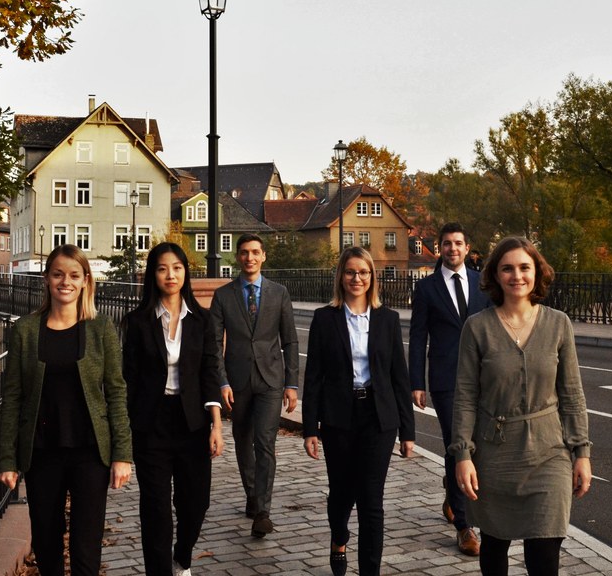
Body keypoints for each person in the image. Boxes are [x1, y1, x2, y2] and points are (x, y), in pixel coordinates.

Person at [450, 236, 592, 576]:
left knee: (544, 553)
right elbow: (465, 395)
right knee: (495, 547)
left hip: (549, 454)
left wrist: (582, 453)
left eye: (524, 267)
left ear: (536, 272)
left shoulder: (558, 324)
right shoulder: (478, 327)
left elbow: (572, 393)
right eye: (507, 268)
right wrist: (463, 456)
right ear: (496, 276)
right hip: (494, 454)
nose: (517, 276)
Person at [0, 244, 133, 576]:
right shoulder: (26, 330)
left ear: (86, 280)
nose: (65, 282)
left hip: (90, 451)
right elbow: (13, 396)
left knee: (86, 545)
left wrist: (122, 454)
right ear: (46, 280)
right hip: (43, 451)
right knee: (46, 541)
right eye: (58, 274)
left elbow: (116, 392)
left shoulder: (101, 329)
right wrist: (7, 459)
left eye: (74, 275)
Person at [302, 247, 416, 576]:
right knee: (341, 493)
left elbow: (399, 377)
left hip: (378, 419)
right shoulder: (325, 319)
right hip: (338, 417)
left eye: (363, 272)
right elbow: (314, 377)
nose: (357, 278)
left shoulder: (388, 319)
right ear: (341, 276)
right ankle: (339, 538)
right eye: (351, 272)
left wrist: (407, 431)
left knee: (371, 502)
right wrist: (310, 428)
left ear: (372, 277)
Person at [123, 242, 225, 576]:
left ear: (186, 272)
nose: (171, 274)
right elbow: (130, 378)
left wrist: (216, 425)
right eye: (163, 268)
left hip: (192, 423)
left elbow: (210, 371)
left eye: (177, 267)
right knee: (156, 509)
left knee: (195, 504)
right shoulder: (137, 322)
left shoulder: (202, 320)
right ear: (153, 274)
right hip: (151, 424)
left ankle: (181, 556)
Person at [408, 222, 492, 556]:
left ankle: (453, 491)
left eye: (458, 243)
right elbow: (417, 336)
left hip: (483, 379)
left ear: (467, 247)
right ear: (439, 248)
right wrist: (417, 381)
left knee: (479, 446)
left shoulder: (482, 284)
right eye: (446, 244)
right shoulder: (427, 289)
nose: (452, 249)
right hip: (445, 379)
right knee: (457, 445)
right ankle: (464, 526)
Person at [210, 233, 300, 538]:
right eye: (244, 253)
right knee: (243, 440)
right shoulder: (223, 296)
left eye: (255, 253)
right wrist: (221, 381)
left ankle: (262, 511)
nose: (250, 258)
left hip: (271, 379)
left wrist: (291, 384)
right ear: (237, 257)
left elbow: (289, 339)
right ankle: (252, 494)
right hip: (237, 382)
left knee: (265, 442)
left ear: (263, 257)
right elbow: (213, 345)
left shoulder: (279, 293)